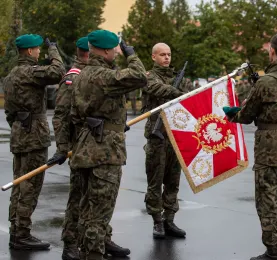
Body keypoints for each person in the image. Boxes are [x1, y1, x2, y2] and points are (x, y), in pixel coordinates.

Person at [48, 36, 130, 260]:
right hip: (83, 146)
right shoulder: (75, 76)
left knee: (98, 202)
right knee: (79, 199)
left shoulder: (100, 73)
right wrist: (63, 146)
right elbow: (62, 115)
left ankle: (101, 239)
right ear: (88, 52)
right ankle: (71, 242)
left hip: (97, 142)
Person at [226, 33, 277, 260]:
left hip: (270, 149)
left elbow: (247, 114)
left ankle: (273, 251)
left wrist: (235, 114)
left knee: (267, 201)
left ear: (272, 50)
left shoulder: (265, 82)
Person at [70, 30, 147, 260]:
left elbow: (75, 115)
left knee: (86, 208)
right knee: (100, 211)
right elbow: (140, 76)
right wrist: (131, 55)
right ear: (105, 50)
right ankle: (93, 254)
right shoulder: (103, 76)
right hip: (104, 152)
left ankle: (86, 251)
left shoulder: (81, 75)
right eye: (114, 49)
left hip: (85, 146)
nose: (116, 52)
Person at [4, 34, 65, 250]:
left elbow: (10, 114)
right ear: (29, 51)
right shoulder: (30, 72)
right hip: (34, 137)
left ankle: (16, 230)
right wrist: (54, 49)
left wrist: (20, 125)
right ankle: (22, 234)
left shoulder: (11, 75)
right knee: (30, 186)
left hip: (20, 133)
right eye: (38, 49)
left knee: (19, 185)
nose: (40, 52)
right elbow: (59, 72)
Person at [141, 43, 194, 239]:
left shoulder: (181, 79)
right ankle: (157, 221)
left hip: (176, 135)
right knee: (155, 181)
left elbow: (191, 96)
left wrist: (183, 93)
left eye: (169, 54)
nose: (166, 58)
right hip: (157, 136)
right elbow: (156, 88)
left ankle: (169, 219)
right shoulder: (148, 76)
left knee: (173, 181)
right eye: (162, 54)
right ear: (154, 57)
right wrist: (177, 93)